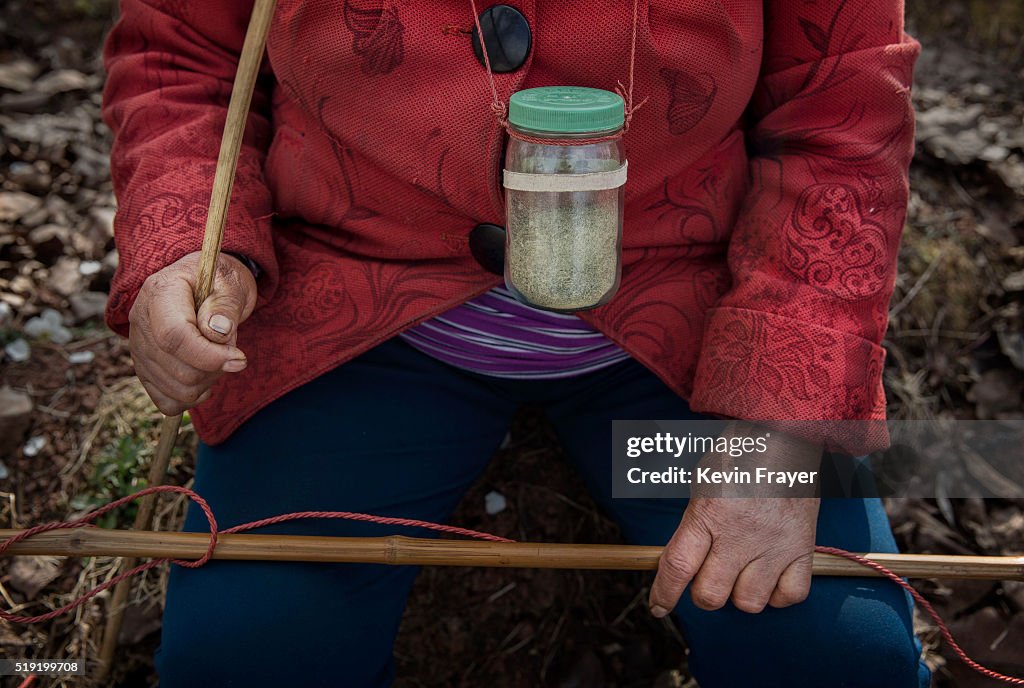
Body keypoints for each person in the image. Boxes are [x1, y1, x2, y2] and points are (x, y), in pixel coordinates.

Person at [101, 1, 929, 685]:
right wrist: (188, 247)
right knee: (247, 659)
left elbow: (841, 111)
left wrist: (781, 422)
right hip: (351, 336)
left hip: (686, 341)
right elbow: (179, 56)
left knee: (837, 653)